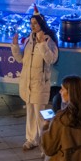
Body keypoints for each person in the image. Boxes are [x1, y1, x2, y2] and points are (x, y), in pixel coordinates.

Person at [11, 13, 59, 151]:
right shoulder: (28, 40)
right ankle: (31, 139)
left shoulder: (48, 39)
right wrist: (15, 46)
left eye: (35, 23)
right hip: (28, 83)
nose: (32, 26)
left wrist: (42, 43)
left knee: (41, 114)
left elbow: (51, 59)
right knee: (31, 112)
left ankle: (47, 141)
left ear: (41, 24)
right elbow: (21, 60)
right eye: (31, 23)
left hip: (40, 83)